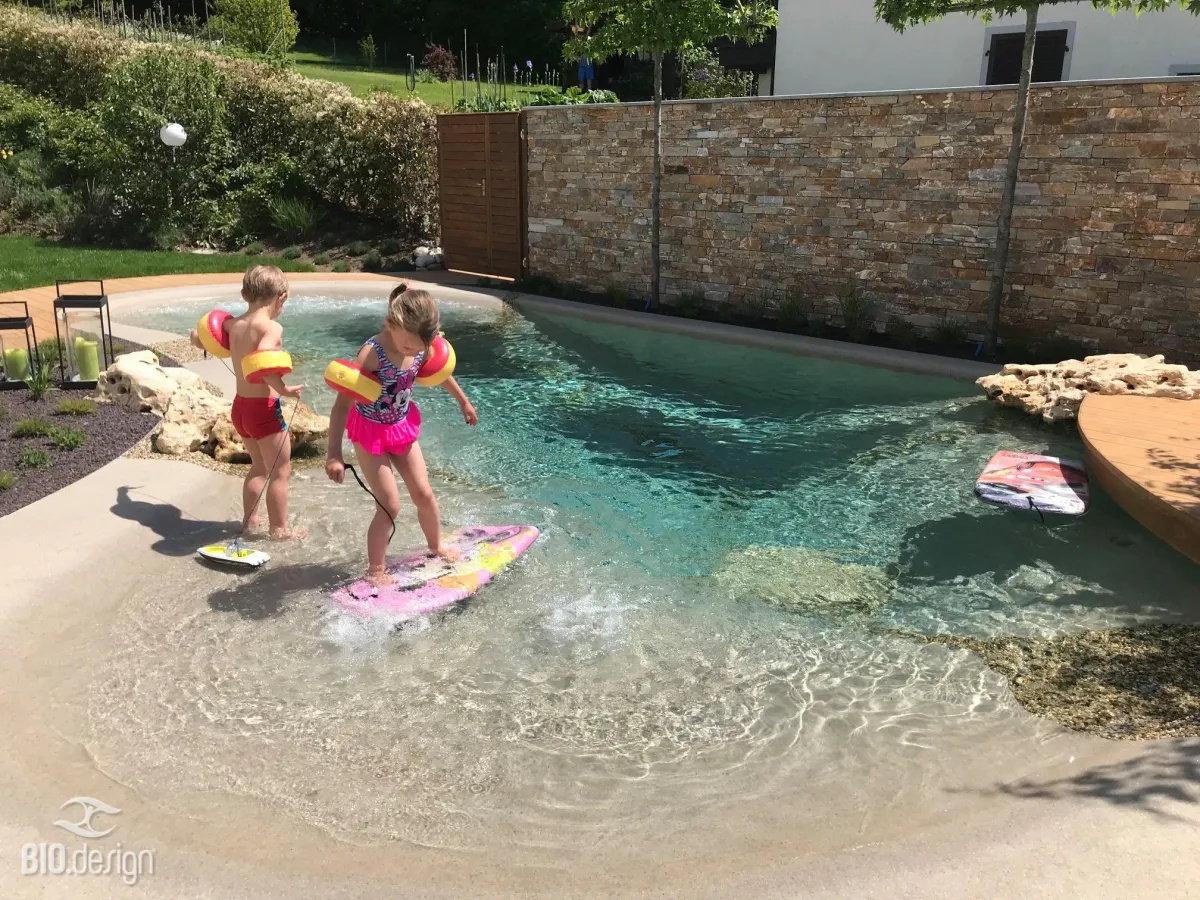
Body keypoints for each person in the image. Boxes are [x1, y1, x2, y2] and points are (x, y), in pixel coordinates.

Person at [324, 284, 478, 585]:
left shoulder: (423, 345)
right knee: (390, 504)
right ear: (390, 325)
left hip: (400, 426)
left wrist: (463, 400)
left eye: (418, 348)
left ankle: (435, 546)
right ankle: (376, 570)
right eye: (407, 346)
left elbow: (439, 372)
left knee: (424, 493)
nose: (412, 352)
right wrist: (334, 454)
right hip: (369, 432)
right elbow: (342, 406)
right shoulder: (372, 354)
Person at [190, 265, 306, 541]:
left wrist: (200, 339)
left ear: (244, 295)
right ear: (282, 298)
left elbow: (198, 338)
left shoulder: (233, 325)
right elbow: (264, 361)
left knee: (259, 467)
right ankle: (279, 530)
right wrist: (284, 388)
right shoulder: (272, 327)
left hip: (240, 408)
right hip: (264, 410)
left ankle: (250, 521)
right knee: (281, 471)